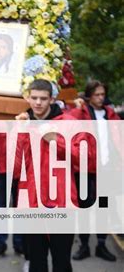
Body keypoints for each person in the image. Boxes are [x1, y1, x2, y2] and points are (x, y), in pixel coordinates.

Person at [15, 79, 76, 272]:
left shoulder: (69, 123)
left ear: (52, 99)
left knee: (62, 260)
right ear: (28, 97)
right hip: (31, 201)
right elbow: (15, 167)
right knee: (37, 261)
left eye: (43, 98)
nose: (38, 103)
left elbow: (85, 159)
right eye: (34, 98)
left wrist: (54, 141)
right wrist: (21, 133)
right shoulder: (22, 123)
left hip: (62, 200)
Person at [69, 80, 119, 262]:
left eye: (102, 94)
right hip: (84, 169)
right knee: (83, 208)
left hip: (106, 168)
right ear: (89, 96)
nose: (100, 98)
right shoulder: (79, 113)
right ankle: (83, 245)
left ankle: (101, 244)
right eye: (97, 94)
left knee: (104, 208)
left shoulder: (111, 115)